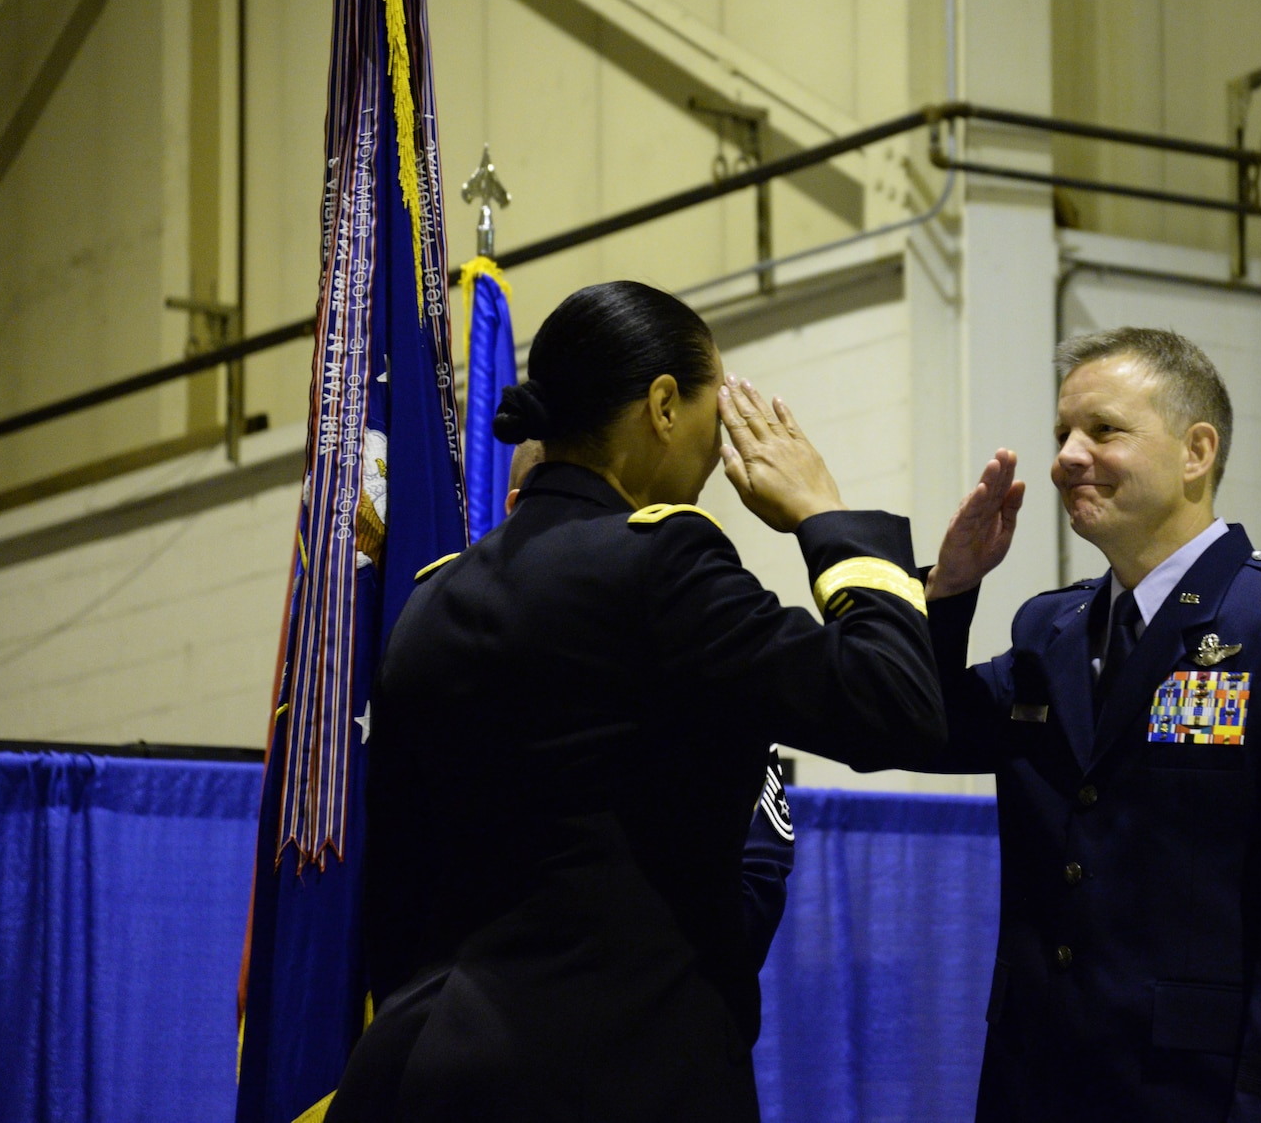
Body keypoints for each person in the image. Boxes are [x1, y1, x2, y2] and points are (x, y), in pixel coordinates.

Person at [328, 281, 944, 1123]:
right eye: (712, 410)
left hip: (420, 1072)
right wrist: (826, 514)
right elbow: (891, 704)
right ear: (661, 404)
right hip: (618, 1073)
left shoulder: (433, 596)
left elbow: (394, 890)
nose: (720, 445)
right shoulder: (659, 563)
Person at [915, 326, 1261, 1122]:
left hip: (1198, 1096)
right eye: (1062, 434)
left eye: (1103, 430)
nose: (1067, 456)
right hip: (1037, 1086)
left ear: (1196, 450)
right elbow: (917, 730)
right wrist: (947, 596)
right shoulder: (1050, 628)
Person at [505, 439, 796, 971]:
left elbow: (757, 877)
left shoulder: (707, 658)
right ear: (517, 508)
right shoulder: (465, 654)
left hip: (668, 1007)